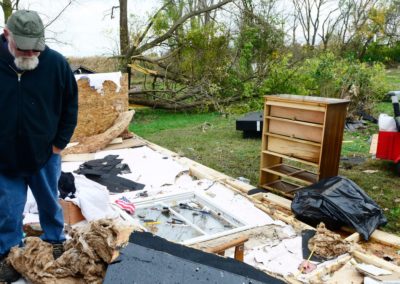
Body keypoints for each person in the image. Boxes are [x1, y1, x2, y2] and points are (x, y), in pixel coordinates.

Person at [0, 10, 78, 282]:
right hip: (4, 157)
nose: (31, 54)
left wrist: (59, 144)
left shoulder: (55, 63)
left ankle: (55, 240)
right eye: (24, 48)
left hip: (45, 153)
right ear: (7, 35)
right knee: (8, 209)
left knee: (49, 202)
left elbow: (70, 104)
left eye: (36, 48)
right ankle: (10, 254)